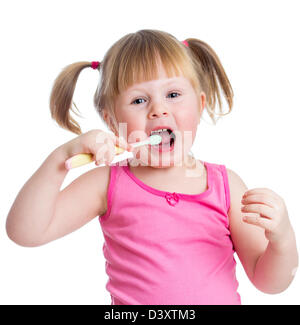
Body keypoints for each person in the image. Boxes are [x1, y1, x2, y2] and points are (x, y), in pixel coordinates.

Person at [6, 29, 298, 305]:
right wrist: (62, 157)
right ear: (110, 121)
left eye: (173, 95)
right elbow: (26, 232)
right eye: (139, 100)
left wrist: (282, 238)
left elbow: (269, 282)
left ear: (200, 105)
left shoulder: (225, 186)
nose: (158, 109)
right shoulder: (107, 183)